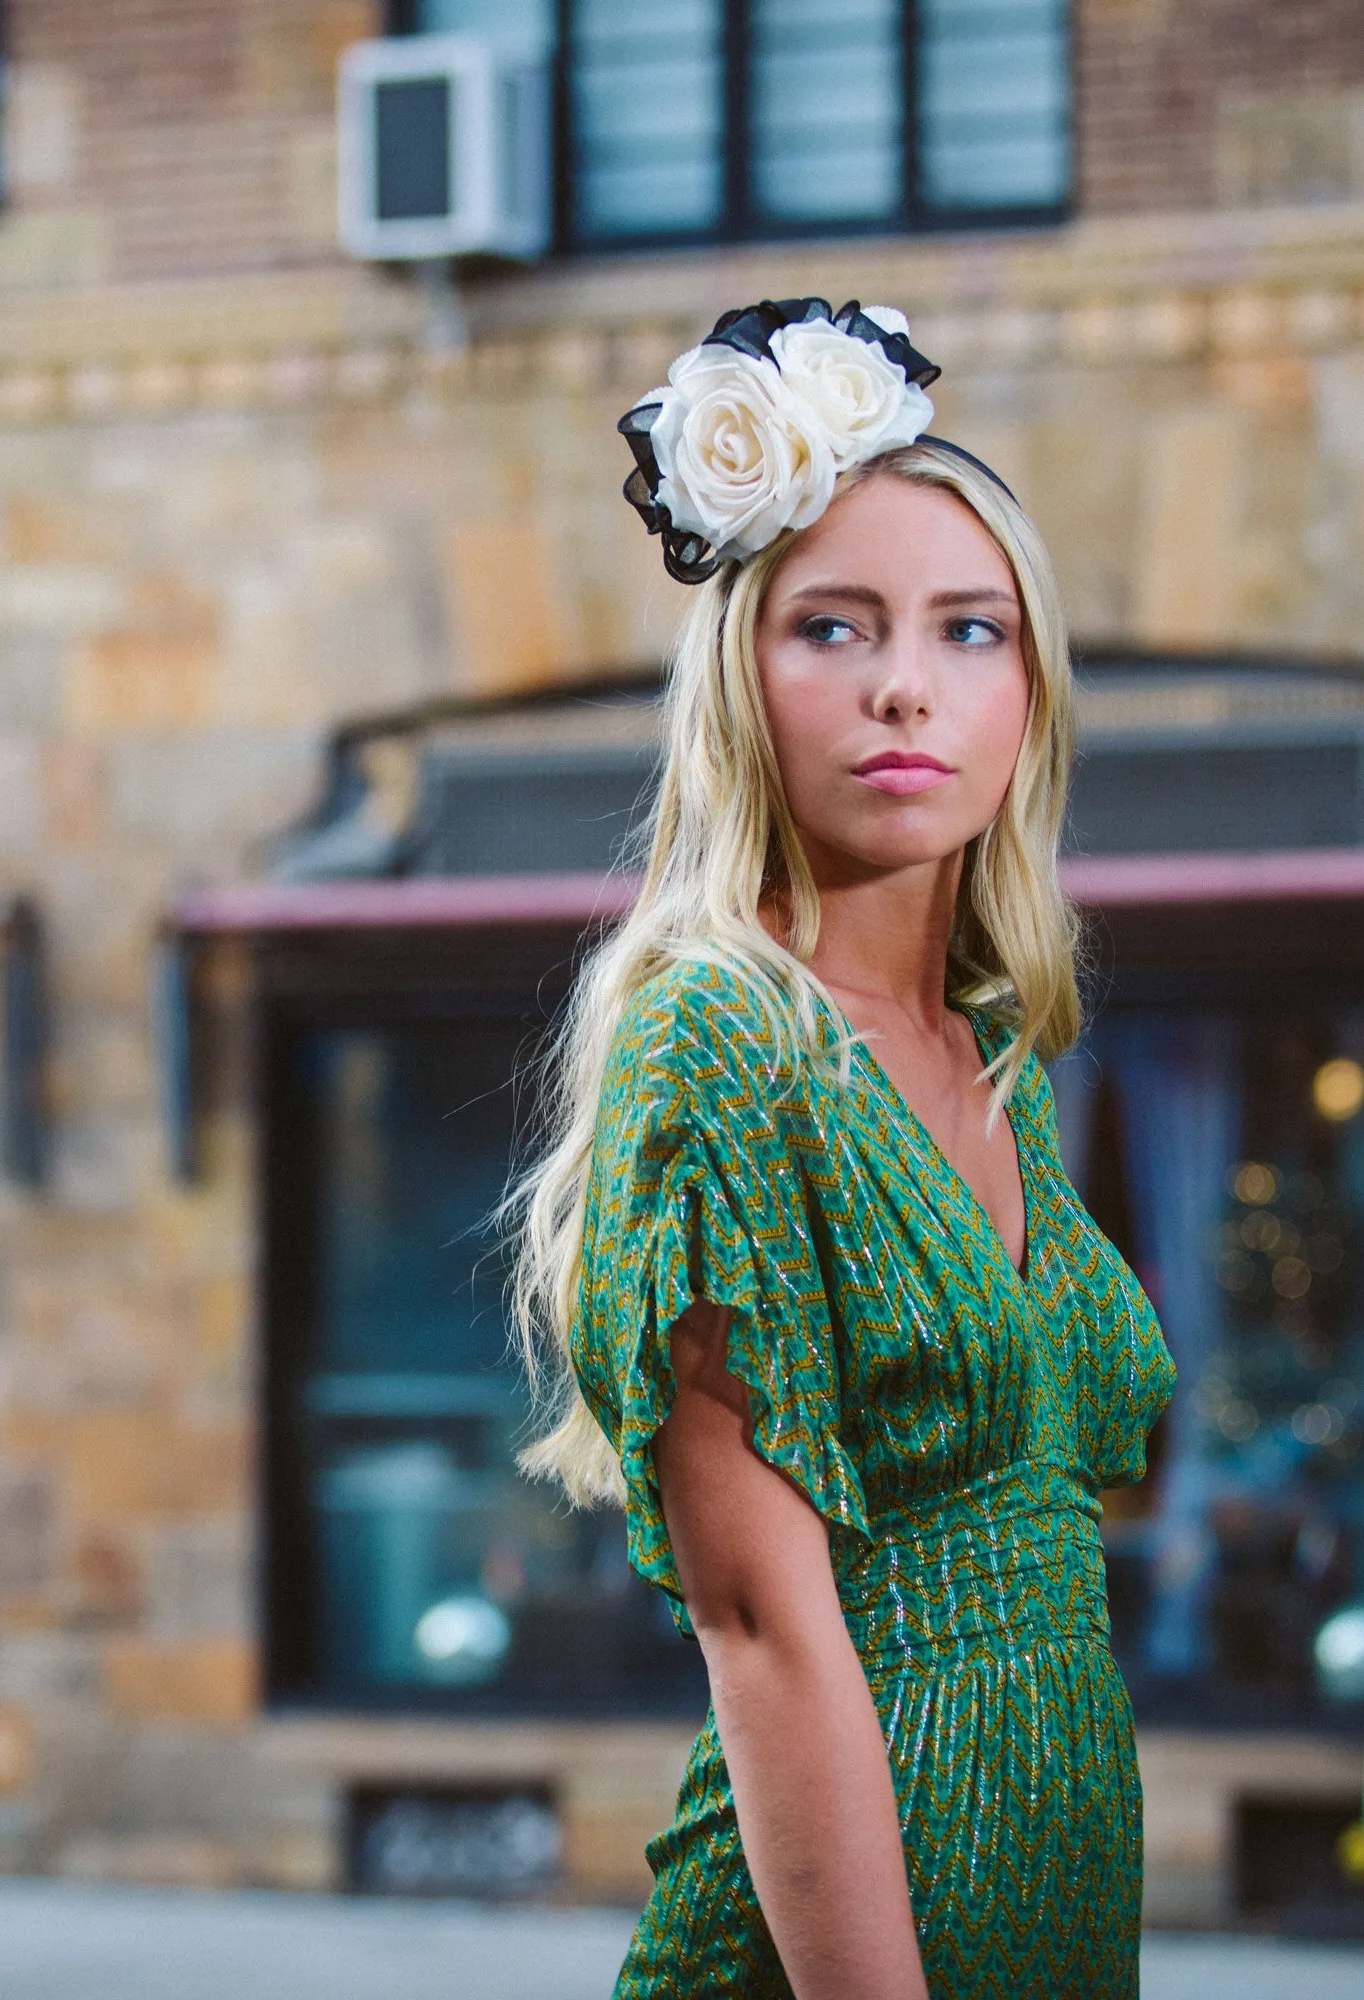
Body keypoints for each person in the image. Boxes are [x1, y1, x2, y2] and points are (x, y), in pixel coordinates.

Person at [509, 299, 1176, 1999]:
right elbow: (763, 1632)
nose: (904, 685)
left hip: (1058, 1913)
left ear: (1032, 690)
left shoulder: (995, 1055)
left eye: (971, 629)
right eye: (832, 626)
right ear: (741, 676)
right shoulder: (721, 1044)